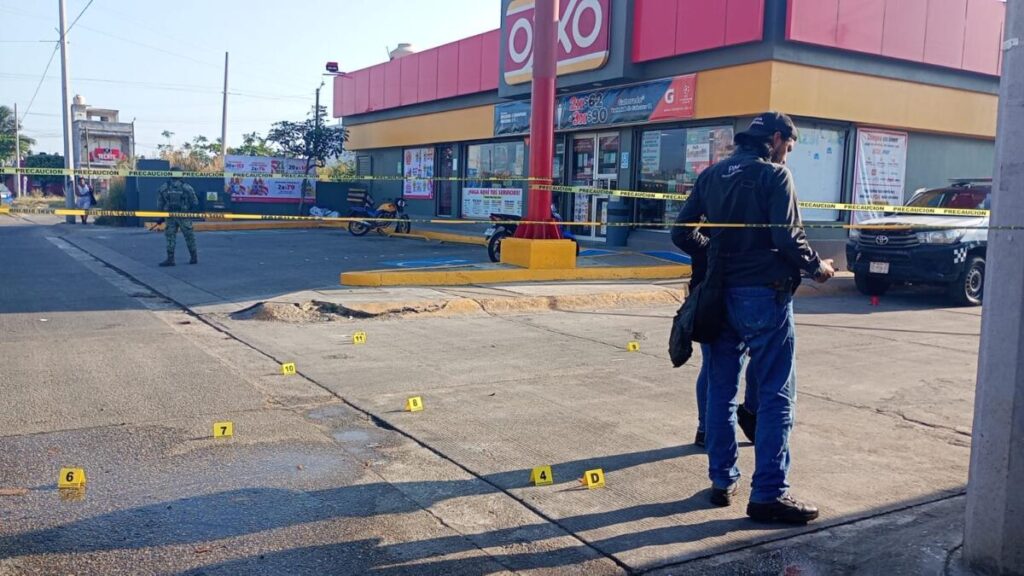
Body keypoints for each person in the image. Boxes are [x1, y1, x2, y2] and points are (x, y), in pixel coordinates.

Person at [673, 112, 835, 524]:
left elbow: (682, 232)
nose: (788, 156)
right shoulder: (773, 176)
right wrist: (818, 268)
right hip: (763, 296)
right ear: (777, 139)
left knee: (720, 390)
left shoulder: (712, 174)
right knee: (776, 393)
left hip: (716, 295)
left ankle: (721, 481)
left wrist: (715, 255)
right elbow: (787, 236)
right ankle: (768, 494)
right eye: (790, 148)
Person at [157, 170, 199, 266]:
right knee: (189, 236)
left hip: (170, 216)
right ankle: (193, 257)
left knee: (170, 237)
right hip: (184, 215)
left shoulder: (164, 187)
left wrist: (161, 217)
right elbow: (195, 202)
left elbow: (160, 204)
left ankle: (170, 259)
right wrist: (188, 210)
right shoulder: (187, 187)